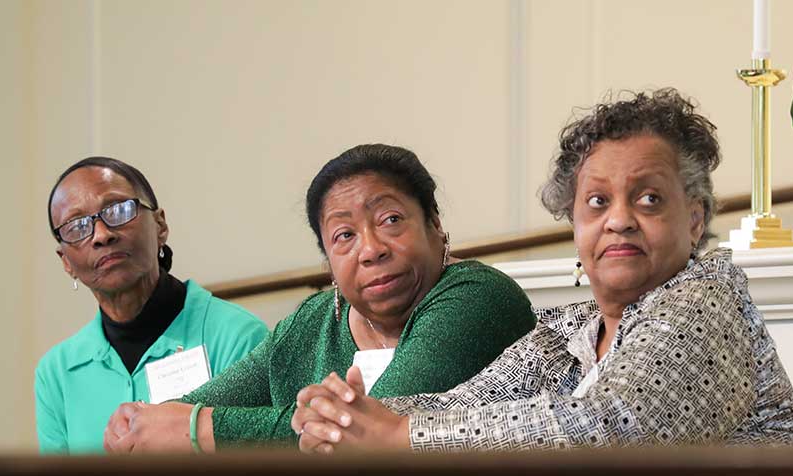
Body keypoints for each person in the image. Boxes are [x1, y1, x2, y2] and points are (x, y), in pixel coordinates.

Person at [293, 89, 793, 452]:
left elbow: (615, 429)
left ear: (694, 219)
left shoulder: (707, 302)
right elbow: (464, 403)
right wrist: (347, 416)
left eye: (648, 198)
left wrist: (400, 435)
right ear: (573, 223)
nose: (619, 220)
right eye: (597, 202)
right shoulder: (569, 332)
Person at [102, 143, 537, 453]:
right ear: (328, 259)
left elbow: (365, 432)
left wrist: (195, 429)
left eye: (390, 220)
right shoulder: (313, 322)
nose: (370, 249)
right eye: (344, 235)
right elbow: (204, 403)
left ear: (434, 224)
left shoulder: (477, 298)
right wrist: (141, 424)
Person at [35, 157, 269, 454]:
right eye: (77, 226)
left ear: (160, 225)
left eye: (118, 210)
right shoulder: (57, 372)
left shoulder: (238, 337)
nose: (102, 235)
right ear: (66, 262)